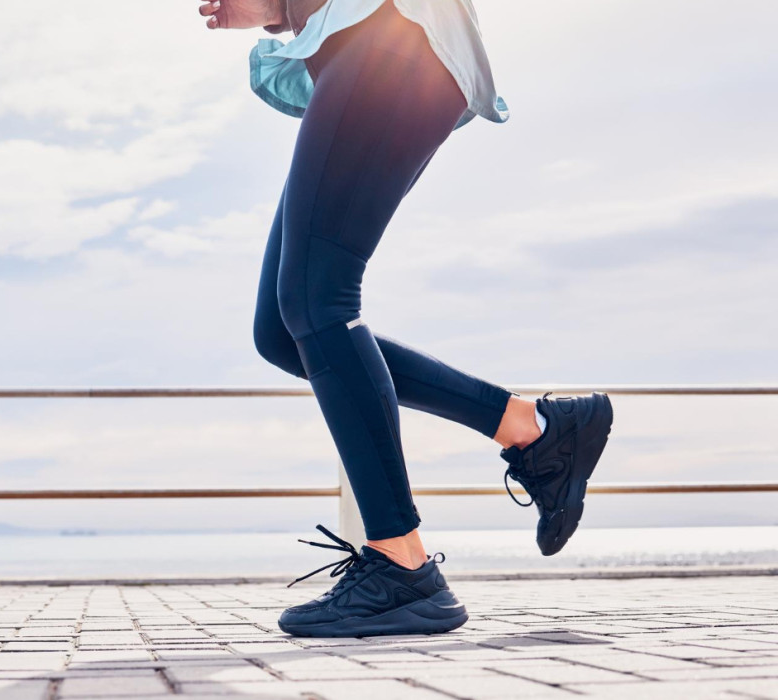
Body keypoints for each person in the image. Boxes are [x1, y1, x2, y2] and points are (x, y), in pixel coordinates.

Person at [196, 0, 614, 637]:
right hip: (377, 47)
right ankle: (532, 428)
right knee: (284, 331)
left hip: (390, 35)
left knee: (319, 301)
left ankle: (401, 561)